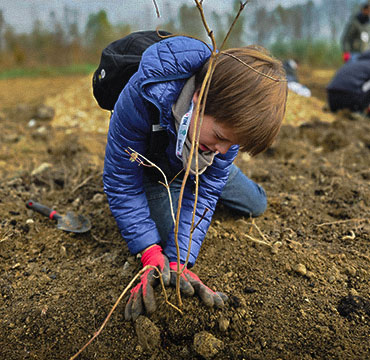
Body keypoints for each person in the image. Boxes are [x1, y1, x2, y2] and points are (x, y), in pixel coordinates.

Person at [103, 35, 287, 321]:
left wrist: (182, 257)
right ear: (199, 100)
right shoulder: (140, 96)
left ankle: (225, 177)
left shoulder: (223, 135)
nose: (225, 150)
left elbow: (208, 186)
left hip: (201, 160)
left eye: (232, 145)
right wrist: (151, 251)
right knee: (164, 241)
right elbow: (122, 182)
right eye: (222, 137)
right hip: (157, 170)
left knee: (256, 205)